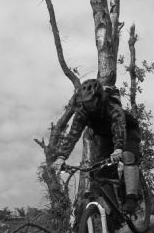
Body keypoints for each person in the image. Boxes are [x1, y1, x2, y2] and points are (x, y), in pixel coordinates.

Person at [53, 79, 141, 214]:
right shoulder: (82, 113)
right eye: (84, 101)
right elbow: (72, 135)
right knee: (100, 171)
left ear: (99, 97)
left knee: (127, 155)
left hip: (127, 131)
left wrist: (118, 148)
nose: (87, 104)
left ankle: (132, 199)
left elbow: (119, 127)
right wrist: (61, 157)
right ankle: (113, 213)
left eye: (90, 100)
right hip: (105, 137)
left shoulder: (111, 107)